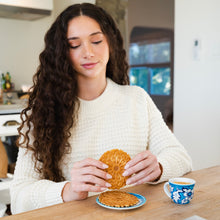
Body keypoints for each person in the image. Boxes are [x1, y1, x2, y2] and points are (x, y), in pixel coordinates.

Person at [10, 3, 192, 214]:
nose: (88, 52)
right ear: (61, 53)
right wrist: (68, 191)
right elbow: (18, 197)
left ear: (111, 42)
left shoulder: (137, 99)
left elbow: (182, 158)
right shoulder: (42, 112)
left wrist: (159, 167)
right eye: (74, 45)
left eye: (96, 41)